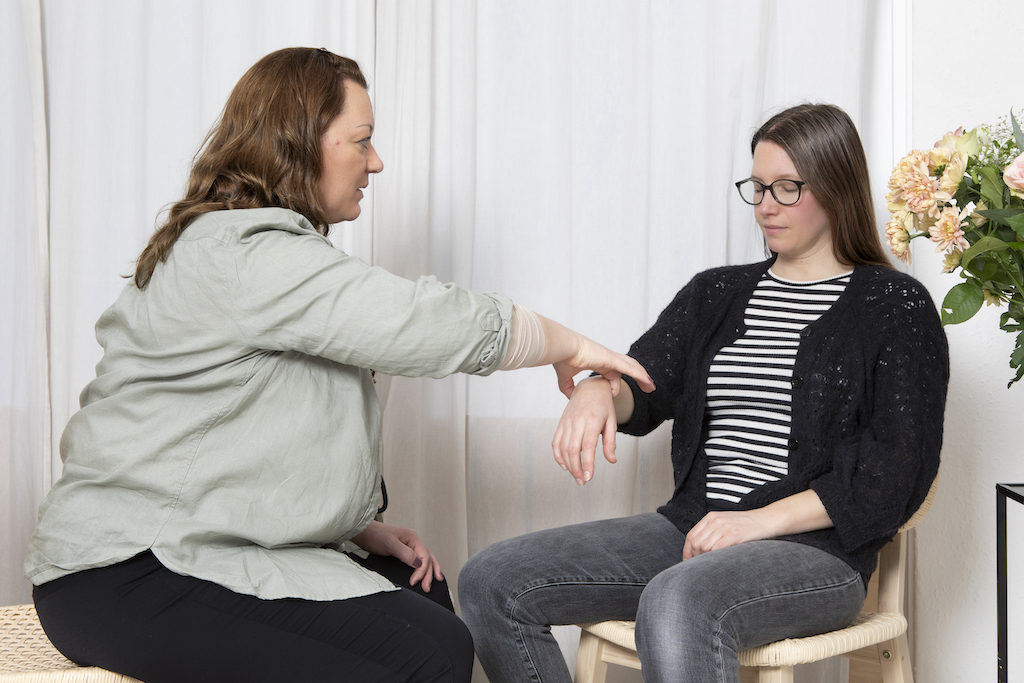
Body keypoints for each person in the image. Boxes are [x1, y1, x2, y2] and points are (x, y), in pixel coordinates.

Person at [24, 47, 654, 683]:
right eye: (363, 140)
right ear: (299, 143)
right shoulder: (247, 252)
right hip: (127, 570)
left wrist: (356, 531)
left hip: (173, 553)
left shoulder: (245, 249)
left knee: (420, 592)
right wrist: (569, 346)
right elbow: (420, 323)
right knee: (429, 650)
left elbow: (241, 441)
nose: (375, 162)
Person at [458, 103, 949, 683]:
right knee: (492, 581)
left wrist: (756, 522)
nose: (766, 205)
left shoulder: (896, 306)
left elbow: (892, 477)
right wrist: (596, 389)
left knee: (676, 601)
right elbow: (643, 387)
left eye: (787, 188)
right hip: (690, 533)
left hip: (817, 555)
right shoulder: (716, 294)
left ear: (837, 187)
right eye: (758, 187)